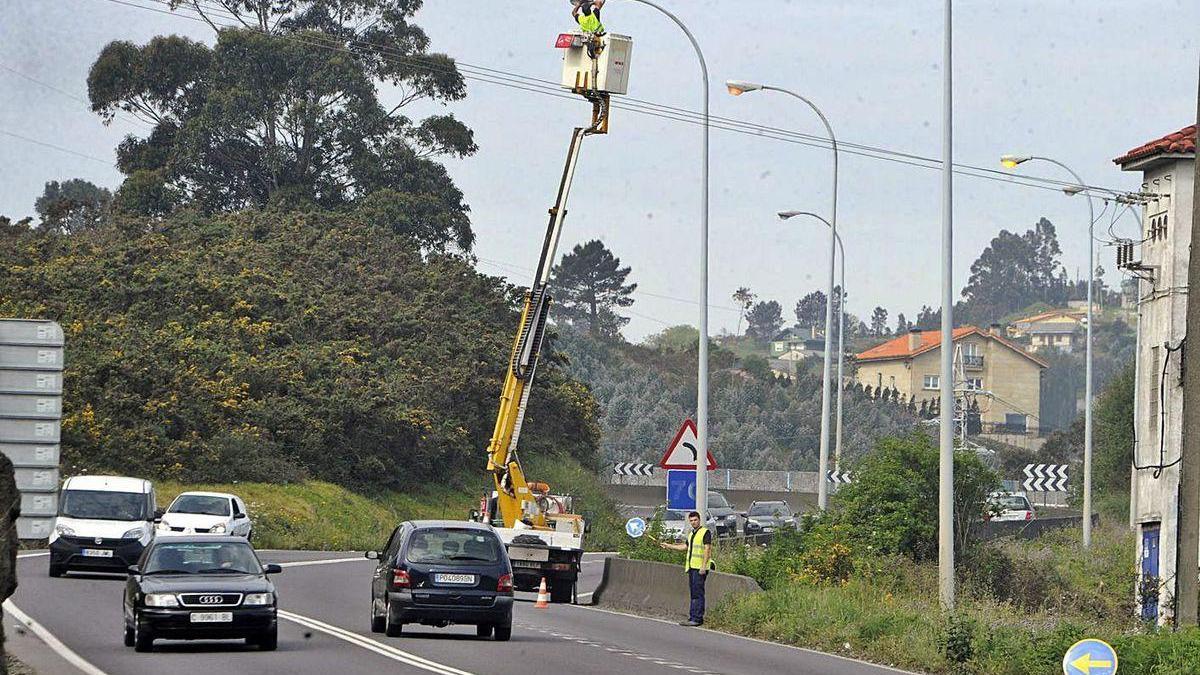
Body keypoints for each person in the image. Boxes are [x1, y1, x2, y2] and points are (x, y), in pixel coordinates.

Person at [658, 511, 712, 626]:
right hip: (692, 567)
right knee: (693, 593)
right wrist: (669, 546)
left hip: (700, 568)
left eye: (695, 520)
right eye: (691, 521)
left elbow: (708, 549)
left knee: (698, 593)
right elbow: (685, 547)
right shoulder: (692, 533)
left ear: (699, 520)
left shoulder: (705, 532)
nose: (693, 522)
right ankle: (692, 617)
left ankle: (697, 618)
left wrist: (703, 566)